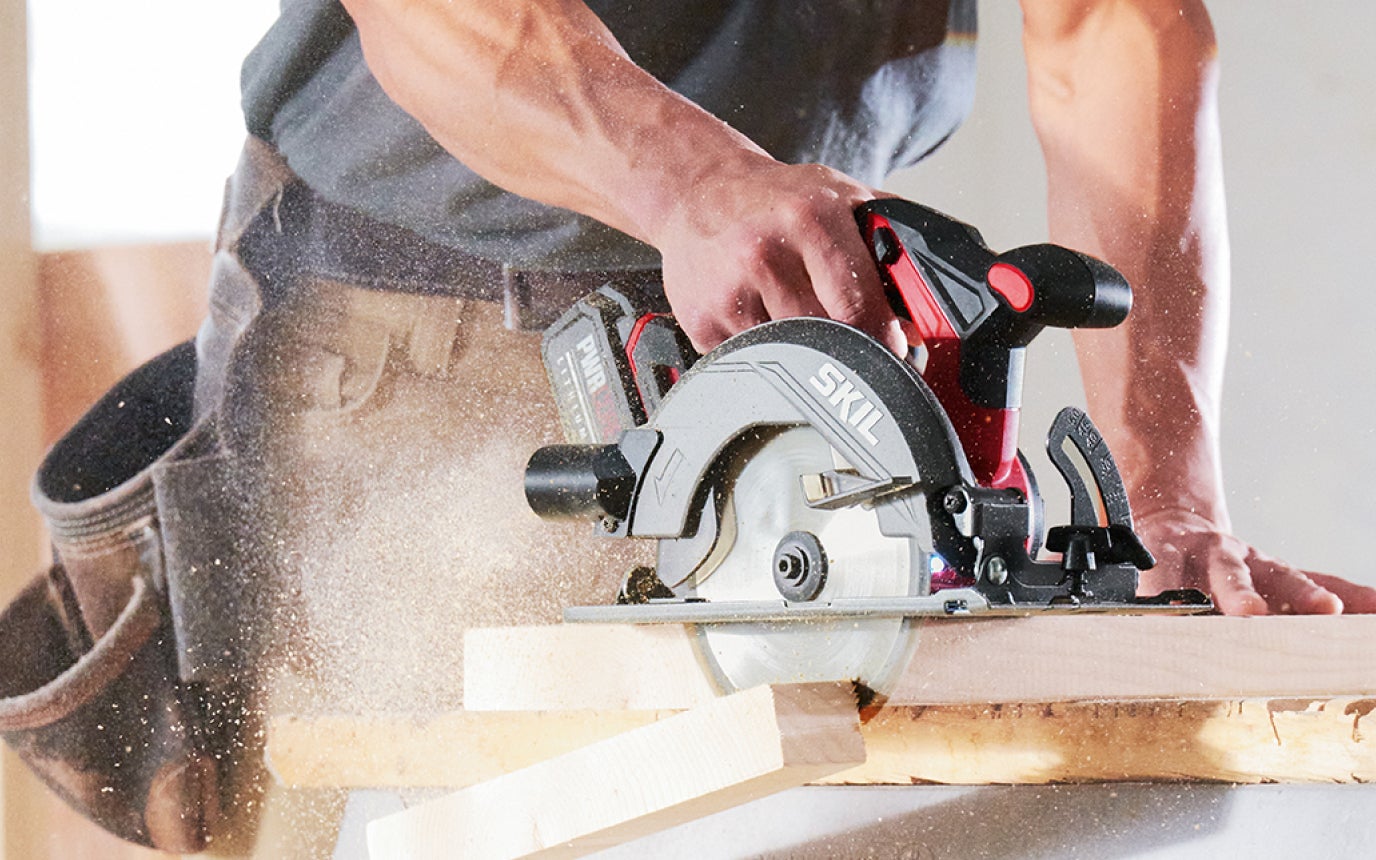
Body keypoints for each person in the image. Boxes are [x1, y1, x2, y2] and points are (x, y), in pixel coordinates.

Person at [11, 0, 1376, 856]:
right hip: (426, 324)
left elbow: (1115, 27)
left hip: (790, 344)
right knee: (422, 823)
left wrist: (1167, 484)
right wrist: (693, 183)